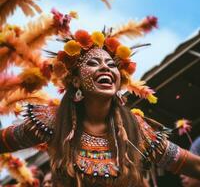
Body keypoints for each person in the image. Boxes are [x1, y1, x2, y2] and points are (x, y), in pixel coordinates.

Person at [0, 21, 200, 187]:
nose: (105, 67)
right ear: (76, 81)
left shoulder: (137, 130)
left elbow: (194, 167)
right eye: (93, 63)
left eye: (111, 65)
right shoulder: (52, 120)